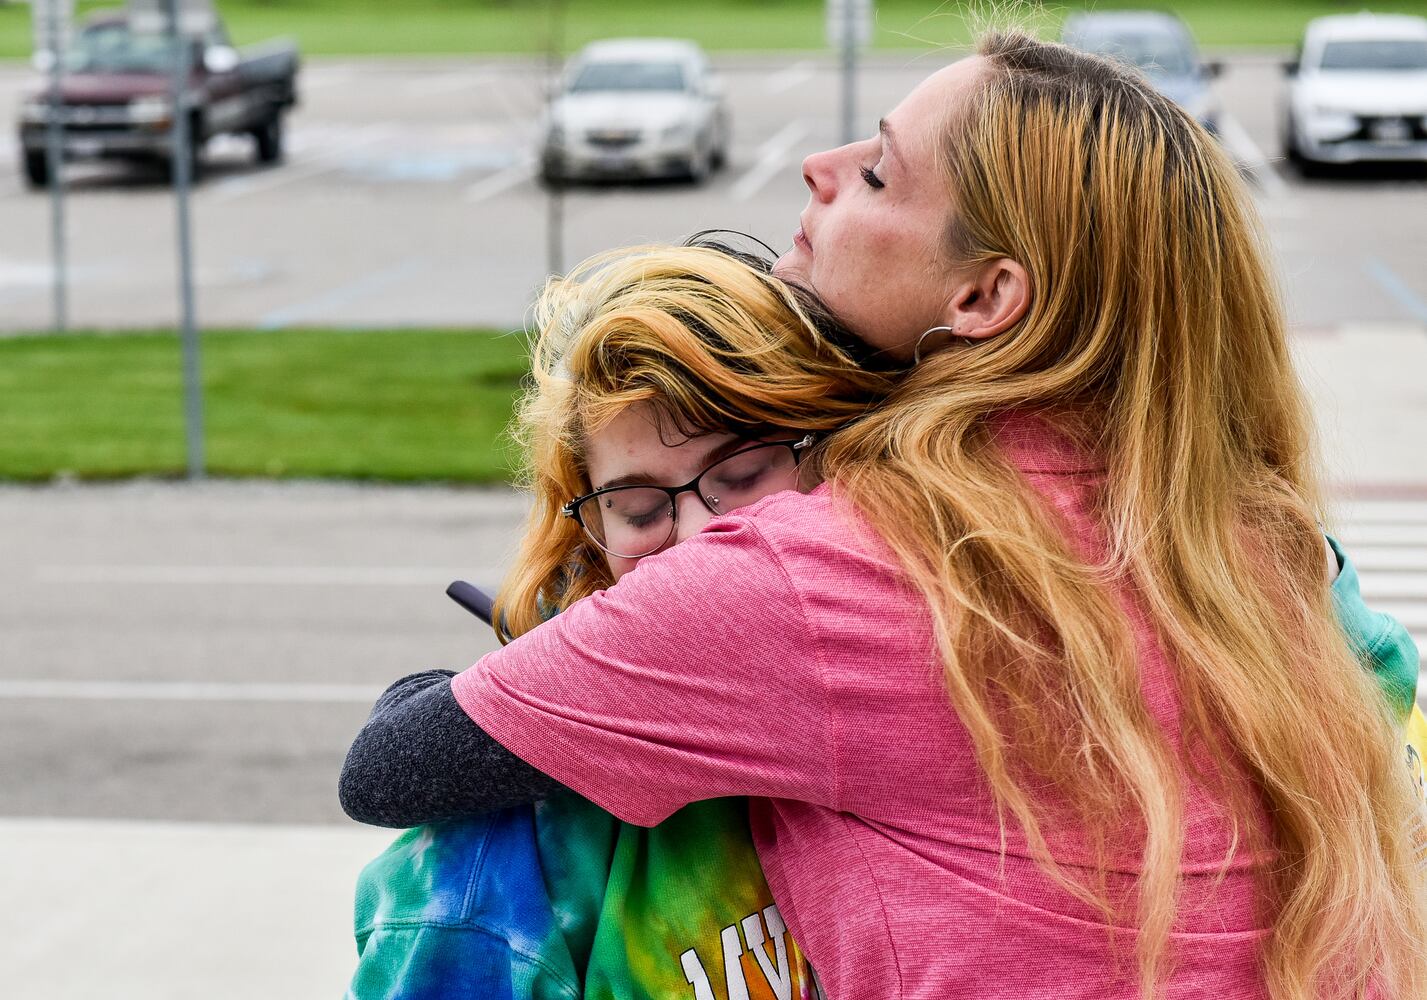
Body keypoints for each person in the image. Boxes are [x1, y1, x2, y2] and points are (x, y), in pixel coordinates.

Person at [343, 32, 1427, 999]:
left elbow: (390, 766)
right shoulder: (1259, 544)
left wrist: (571, 642)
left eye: (871, 171)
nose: (814, 172)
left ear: (982, 300)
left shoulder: (831, 583)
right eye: (635, 505)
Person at [345, 239, 896, 999]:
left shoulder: (925, 689)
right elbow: (381, 774)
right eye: (637, 510)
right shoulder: (502, 870)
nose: (703, 538)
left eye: (741, 475)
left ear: (837, 450)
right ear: (585, 534)